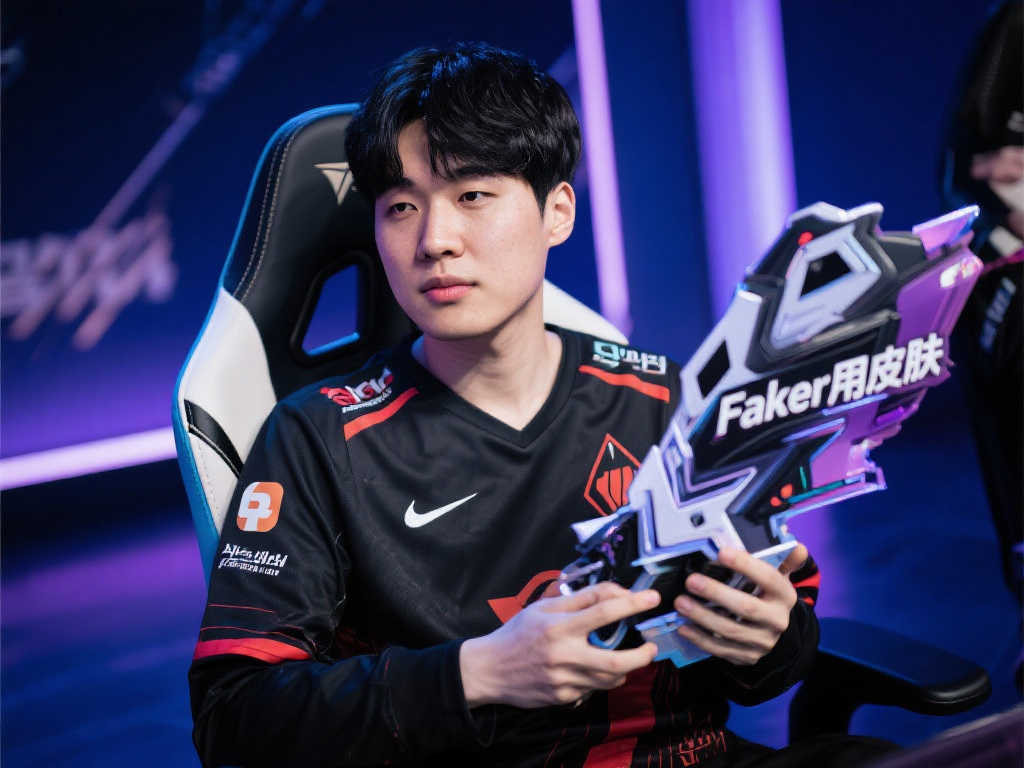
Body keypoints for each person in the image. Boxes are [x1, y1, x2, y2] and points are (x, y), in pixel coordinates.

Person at [189, 42, 891, 767]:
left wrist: (770, 637)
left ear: (557, 212)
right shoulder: (318, 437)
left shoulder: (671, 401)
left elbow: (773, 662)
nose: (435, 241)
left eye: (471, 196)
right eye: (401, 207)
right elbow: (233, 716)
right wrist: (478, 675)